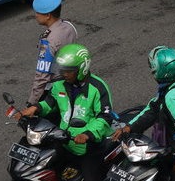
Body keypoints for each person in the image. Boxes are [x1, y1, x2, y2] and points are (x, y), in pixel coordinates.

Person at [13, 44, 114, 181]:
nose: (64, 74)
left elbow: (104, 117)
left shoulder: (97, 88)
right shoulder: (59, 85)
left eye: (68, 71)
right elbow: (50, 103)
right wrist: (35, 108)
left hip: (89, 147)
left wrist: (87, 134)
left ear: (81, 69)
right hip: (63, 141)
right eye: (62, 70)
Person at [112, 47, 175, 181]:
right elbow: (152, 109)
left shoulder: (173, 98)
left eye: (153, 68)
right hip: (169, 149)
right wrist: (129, 127)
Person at [28, 0, 78, 105]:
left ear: (48, 15)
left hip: (56, 90)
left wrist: (32, 102)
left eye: (38, 12)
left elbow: (42, 76)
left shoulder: (48, 40)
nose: (36, 15)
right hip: (74, 82)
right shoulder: (69, 27)